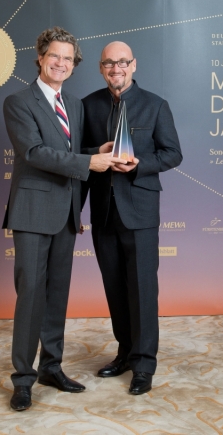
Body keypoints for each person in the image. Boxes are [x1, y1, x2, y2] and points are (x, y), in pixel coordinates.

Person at [3, 27, 123, 411]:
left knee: (57, 296)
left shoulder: (73, 103)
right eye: (55, 55)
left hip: (67, 213)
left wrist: (98, 150)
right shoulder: (18, 102)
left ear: (74, 65)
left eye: (68, 59)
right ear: (40, 57)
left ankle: (50, 368)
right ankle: (23, 379)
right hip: (32, 213)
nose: (61, 63)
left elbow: (71, 148)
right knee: (31, 296)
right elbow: (35, 152)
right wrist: (89, 162)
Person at [82, 41, 183, 395]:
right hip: (103, 212)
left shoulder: (155, 105)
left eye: (122, 62)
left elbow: (173, 153)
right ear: (101, 68)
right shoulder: (88, 106)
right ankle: (125, 353)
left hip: (140, 212)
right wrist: (96, 153)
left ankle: (143, 364)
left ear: (134, 65)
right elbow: (77, 156)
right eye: (109, 63)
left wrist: (140, 165)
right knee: (114, 288)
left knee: (142, 290)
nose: (116, 68)